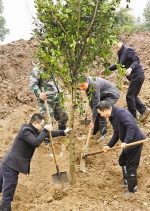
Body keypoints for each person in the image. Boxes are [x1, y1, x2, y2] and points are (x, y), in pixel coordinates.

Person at [0, 113, 71, 211]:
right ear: (35, 123)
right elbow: (36, 142)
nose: (42, 128)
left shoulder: (33, 130)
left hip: (8, 164)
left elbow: (46, 134)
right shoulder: (25, 131)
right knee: (8, 193)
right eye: (41, 125)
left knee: (2, 187)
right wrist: (45, 129)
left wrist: (63, 132)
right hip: (10, 166)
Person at [96, 101, 146, 195]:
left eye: (101, 113)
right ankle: (127, 181)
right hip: (128, 143)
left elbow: (131, 126)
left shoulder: (121, 113)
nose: (101, 115)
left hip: (135, 142)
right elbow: (117, 133)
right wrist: (108, 145)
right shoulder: (112, 117)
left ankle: (132, 190)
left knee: (131, 166)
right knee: (122, 161)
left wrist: (126, 141)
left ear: (105, 110)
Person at [108, 36, 150, 122]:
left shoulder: (127, 50)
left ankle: (133, 117)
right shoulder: (120, 52)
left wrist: (130, 68)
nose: (114, 46)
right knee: (133, 96)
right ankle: (144, 111)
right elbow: (118, 64)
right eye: (113, 45)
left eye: (115, 44)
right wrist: (107, 69)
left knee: (129, 96)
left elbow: (136, 60)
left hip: (137, 75)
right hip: (136, 76)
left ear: (120, 42)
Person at [78, 76, 120, 142]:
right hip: (103, 95)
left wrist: (92, 120)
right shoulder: (87, 86)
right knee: (96, 111)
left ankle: (103, 133)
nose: (81, 88)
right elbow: (91, 101)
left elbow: (96, 104)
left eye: (82, 86)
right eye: (79, 87)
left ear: (87, 82)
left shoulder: (94, 86)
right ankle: (96, 129)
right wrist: (93, 113)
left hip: (112, 94)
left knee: (101, 110)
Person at [30, 64, 68, 131]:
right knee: (47, 121)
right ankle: (47, 138)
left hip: (57, 98)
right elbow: (33, 84)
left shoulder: (51, 67)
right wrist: (39, 93)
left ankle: (62, 132)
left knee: (63, 116)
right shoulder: (37, 70)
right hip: (46, 101)